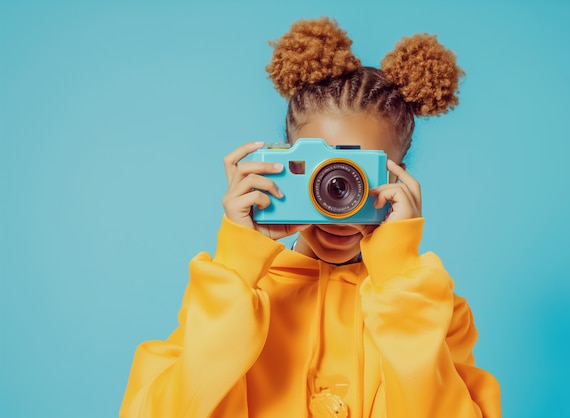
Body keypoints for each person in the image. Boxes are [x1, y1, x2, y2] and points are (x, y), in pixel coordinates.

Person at [120, 17, 501, 418]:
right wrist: (237, 260)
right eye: (321, 172)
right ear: (285, 161)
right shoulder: (231, 294)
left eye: (358, 176)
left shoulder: (430, 306)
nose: (338, 206)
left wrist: (399, 272)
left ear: (399, 177)